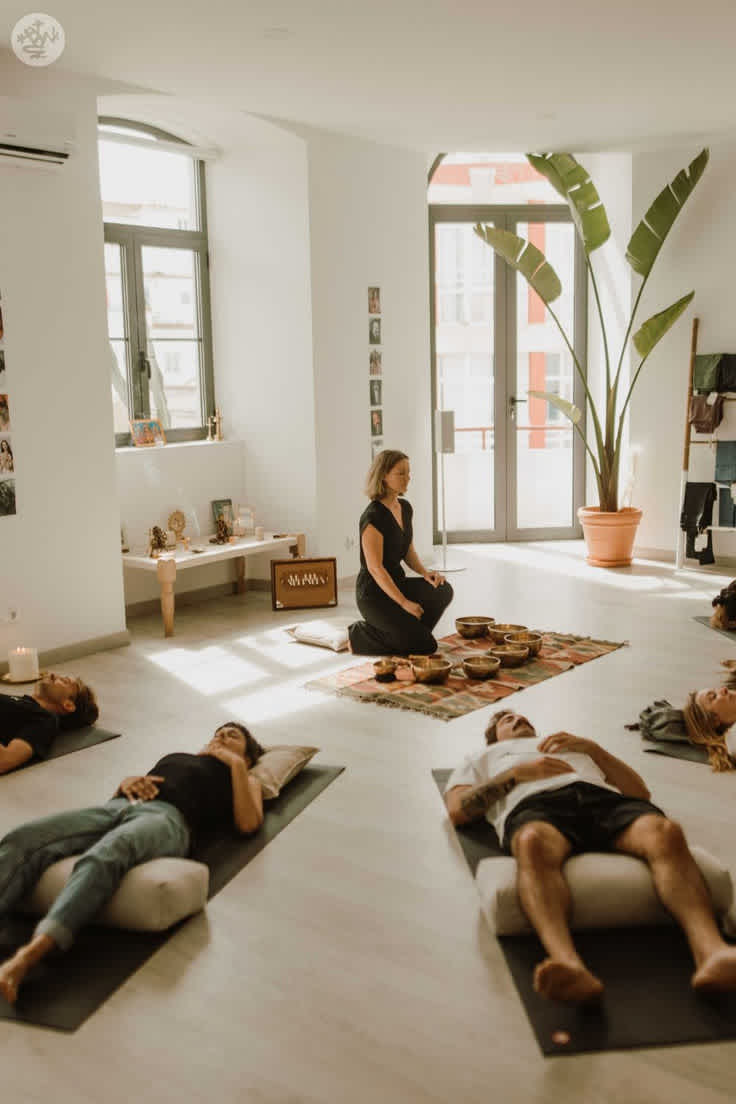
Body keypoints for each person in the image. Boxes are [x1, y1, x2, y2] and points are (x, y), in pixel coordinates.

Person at [444, 708, 736, 1004]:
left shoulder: (567, 743)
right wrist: (516, 774)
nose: (518, 718)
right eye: (507, 719)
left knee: (665, 832)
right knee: (531, 843)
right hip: (536, 806)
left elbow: (639, 792)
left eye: (521, 716)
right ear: (493, 739)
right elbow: (458, 810)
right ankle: (568, 964)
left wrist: (594, 749)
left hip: (603, 800)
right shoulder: (481, 758)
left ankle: (712, 951)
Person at [0, 721, 265, 1004]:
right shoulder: (178, 758)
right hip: (119, 806)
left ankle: (28, 957)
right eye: (218, 733)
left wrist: (236, 765)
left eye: (232, 736)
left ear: (248, 756)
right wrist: (124, 785)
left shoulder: (245, 777)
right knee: (24, 837)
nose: (222, 736)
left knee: (105, 855)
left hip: (169, 820)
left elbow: (249, 823)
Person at [348, 449, 454, 655]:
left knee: (442, 590)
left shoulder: (404, 507)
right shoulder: (372, 517)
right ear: (384, 476)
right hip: (374, 595)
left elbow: (408, 550)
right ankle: (360, 634)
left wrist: (426, 573)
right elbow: (375, 568)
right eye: (401, 473)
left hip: (397, 583)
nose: (408, 478)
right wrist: (404, 603)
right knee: (427, 646)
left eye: (408, 472)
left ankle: (411, 634)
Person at [0, 672, 99, 774]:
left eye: (64, 681)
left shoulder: (45, 719)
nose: (52, 674)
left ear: (68, 705)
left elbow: (5, 760)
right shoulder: (22, 702)